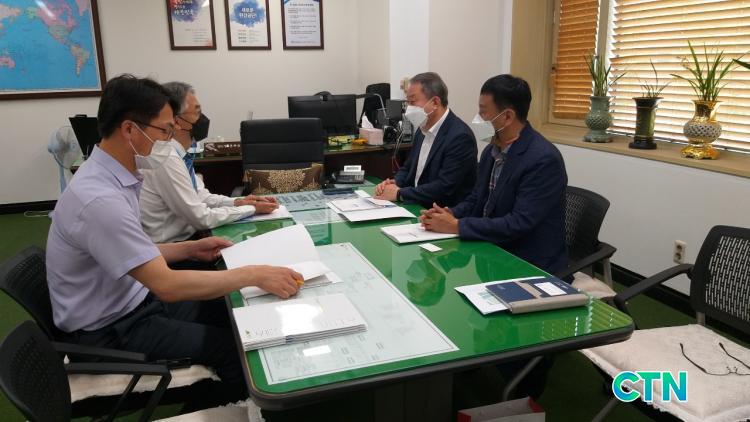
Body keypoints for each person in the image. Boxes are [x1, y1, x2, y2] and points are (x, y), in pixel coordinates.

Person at [46, 74, 302, 402]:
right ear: (129, 130)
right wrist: (253, 274)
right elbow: (166, 285)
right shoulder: (99, 200)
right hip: (110, 331)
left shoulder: (109, 177)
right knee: (232, 349)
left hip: (133, 302)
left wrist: (190, 249)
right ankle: (223, 407)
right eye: (164, 130)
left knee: (231, 313)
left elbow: (131, 252)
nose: (169, 140)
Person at [420, 74, 568, 276]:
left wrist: (457, 226)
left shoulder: (543, 160)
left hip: (528, 265)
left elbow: (518, 223)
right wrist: (450, 213)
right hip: (491, 254)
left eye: (483, 112)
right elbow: (476, 199)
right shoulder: (492, 151)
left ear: (507, 117)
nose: (478, 119)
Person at [139, 81, 278, 243]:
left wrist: (238, 202)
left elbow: (201, 197)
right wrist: (251, 208)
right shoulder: (166, 158)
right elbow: (201, 218)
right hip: (173, 247)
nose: (203, 119)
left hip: (190, 237)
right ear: (176, 121)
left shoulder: (179, 154)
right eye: (198, 112)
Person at [374, 72, 477, 208]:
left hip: (441, 212)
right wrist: (394, 183)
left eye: (412, 102)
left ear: (435, 102)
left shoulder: (460, 137)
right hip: (416, 204)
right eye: (407, 102)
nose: (409, 108)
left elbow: (445, 186)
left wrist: (399, 193)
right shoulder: (422, 128)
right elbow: (408, 167)